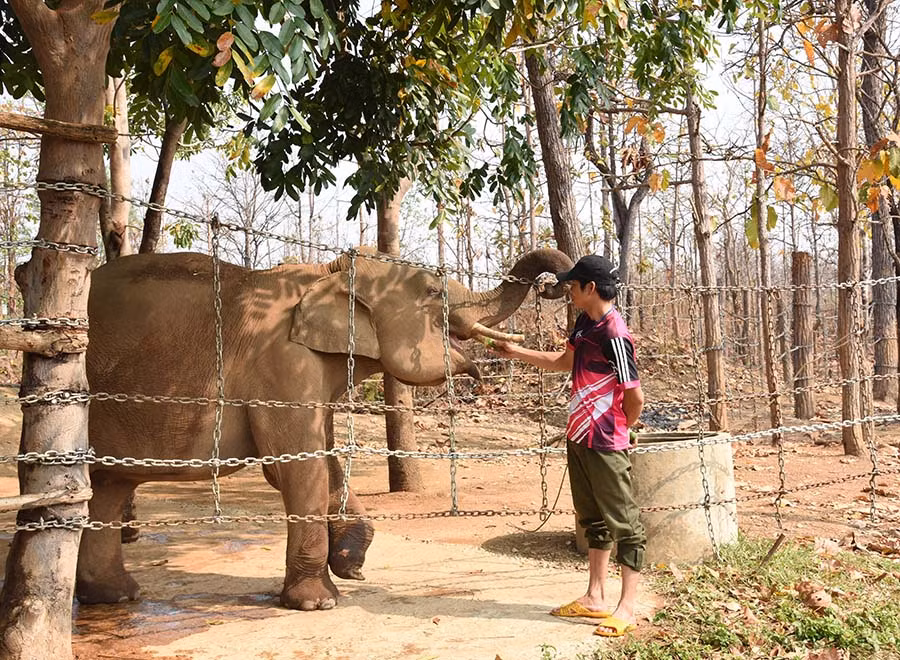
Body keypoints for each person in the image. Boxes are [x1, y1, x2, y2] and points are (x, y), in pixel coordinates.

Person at [490, 254, 645, 637]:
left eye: (573, 285)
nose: (568, 290)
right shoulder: (585, 324)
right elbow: (564, 362)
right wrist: (517, 354)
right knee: (591, 518)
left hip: (606, 441)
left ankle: (626, 606)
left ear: (590, 288)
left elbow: (635, 396)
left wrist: (621, 429)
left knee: (624, 522)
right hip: (579, 436)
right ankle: (595, 596)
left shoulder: (615, 335)